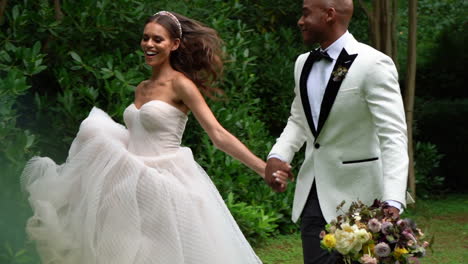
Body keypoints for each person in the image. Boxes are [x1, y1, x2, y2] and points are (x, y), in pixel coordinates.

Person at [21, 11, 288, 264]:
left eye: (157, 39)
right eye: (145, 37)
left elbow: (217, 134)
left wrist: (263, 168)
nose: (149, 44)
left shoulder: (181, 84)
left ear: (174, 44)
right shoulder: (142, 87)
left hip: (165, 182)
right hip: (126, 181)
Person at [264, 0, 410, 263]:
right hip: (314, 196)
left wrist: (393, 202)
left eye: (306, 13)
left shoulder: (373, 64)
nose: (300, 21)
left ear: (329, 15)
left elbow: (393, 137)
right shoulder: (302, 64)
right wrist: (278, 155)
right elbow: (298, 120)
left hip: (363, 201)